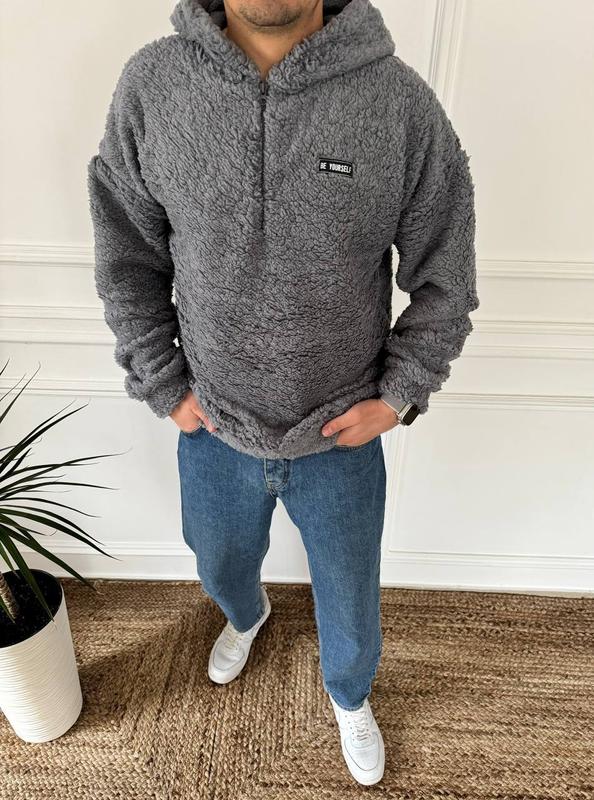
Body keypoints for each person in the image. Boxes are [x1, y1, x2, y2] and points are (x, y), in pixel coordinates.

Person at [87, 0, 479, 786]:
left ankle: (349, 696)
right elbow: (127, 255)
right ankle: (248, 614)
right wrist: (165, 384)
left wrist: (399, 395)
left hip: (340, 434)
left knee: (350, 598)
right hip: (211, 427)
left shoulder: (398, 104)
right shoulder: (153, 86)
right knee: (219, 566)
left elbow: (446, 275)